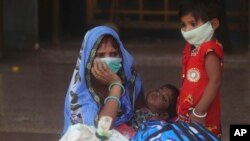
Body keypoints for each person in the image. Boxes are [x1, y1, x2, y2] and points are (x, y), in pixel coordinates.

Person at [62, 26, 144, 136]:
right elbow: (101, 132)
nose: (108, 60)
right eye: (100, 55)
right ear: (88, 59)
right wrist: (116, 86)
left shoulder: (130, 80)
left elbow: (140, 114)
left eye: (113, 54)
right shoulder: (80, 96)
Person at [177, 0, 224, 136]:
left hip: (203, 118)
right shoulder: (192, 47)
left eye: (193, 24)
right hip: (189, 115)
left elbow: (215, 81)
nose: (187, 30)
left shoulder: (209, 49)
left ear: (213, 24)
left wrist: (199, 112)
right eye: (184, 25)